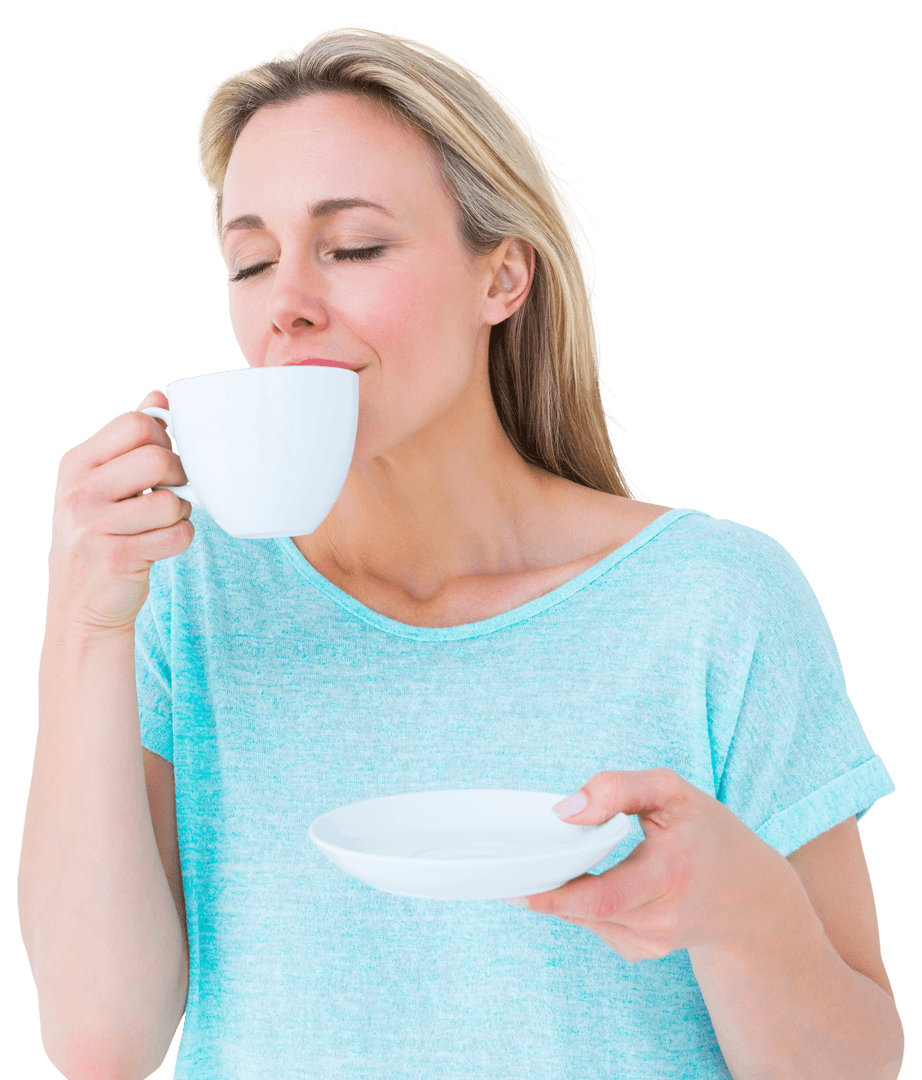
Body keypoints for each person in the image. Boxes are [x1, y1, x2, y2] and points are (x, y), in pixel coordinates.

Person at [18, 25, 904, 1080]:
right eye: (251, 262)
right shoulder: (188, 593)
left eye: (353, 248)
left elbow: (855, 1063)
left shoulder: (714, 601)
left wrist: (744, 914)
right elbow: (101, 1044)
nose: (286, 306)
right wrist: (83, 622)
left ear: (503, 278)